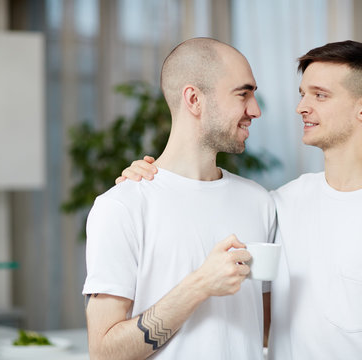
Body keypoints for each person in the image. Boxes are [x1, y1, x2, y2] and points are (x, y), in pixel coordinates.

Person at [117, 40, 362, 359]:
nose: (301, 107)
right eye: (302, 94)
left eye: (320, 95)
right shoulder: (281, 204)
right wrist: (151, 177)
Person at [82, 37, 276, 360]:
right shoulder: (121, 207)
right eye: (243, 93)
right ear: (194, 99)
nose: (255, 110)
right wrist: (200, 284)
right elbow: (104, 352)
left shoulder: (260, 202)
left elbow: (267, 326)